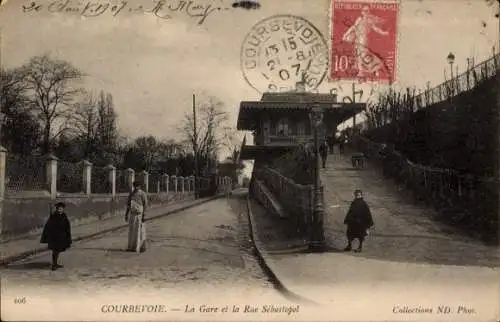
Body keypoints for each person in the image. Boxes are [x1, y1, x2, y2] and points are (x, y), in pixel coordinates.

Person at [40, 202, 72, 271]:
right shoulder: (54, 216)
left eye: (62, 208)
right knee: (55, 251)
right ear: (57, 209)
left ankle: (55, 263)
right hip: (55, 237)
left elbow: (67, 225)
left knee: (58, 250)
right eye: (59, 208)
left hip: (62, 237)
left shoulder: (64, 215)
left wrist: (67, 235)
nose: (60, 210)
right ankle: (54, 265)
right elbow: (49, 226)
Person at [125, 181, 148, 252]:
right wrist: (126, 214)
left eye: (137, 186)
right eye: (134, 186)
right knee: (131, 231)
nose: (135, 187)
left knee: (139, 231)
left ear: (139, 186)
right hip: (132, 214)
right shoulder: (131, 194)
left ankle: (137, 247)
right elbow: (128, 205)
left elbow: (145, 205)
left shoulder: (142, 194)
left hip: (139, 214)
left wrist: (144, 215)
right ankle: (130, 247)